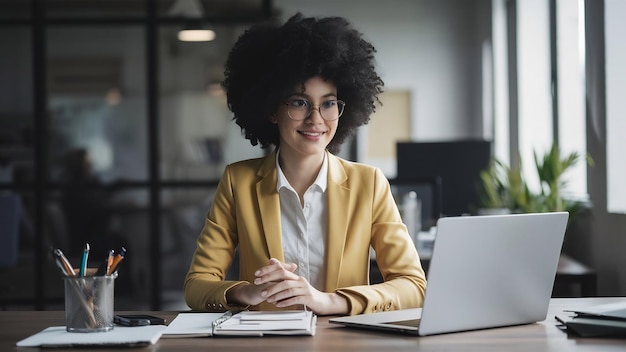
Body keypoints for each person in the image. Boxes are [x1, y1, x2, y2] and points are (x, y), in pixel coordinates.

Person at [184, 13, 426, 316]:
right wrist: (246, 291)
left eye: (328, 103)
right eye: (299, 102)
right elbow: (196, 285)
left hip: (343, 342)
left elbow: (413, 285)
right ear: (272, 109)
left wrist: (327, 301)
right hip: (265, 341)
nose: (316, 119)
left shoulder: (369, 184)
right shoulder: (238, 182)